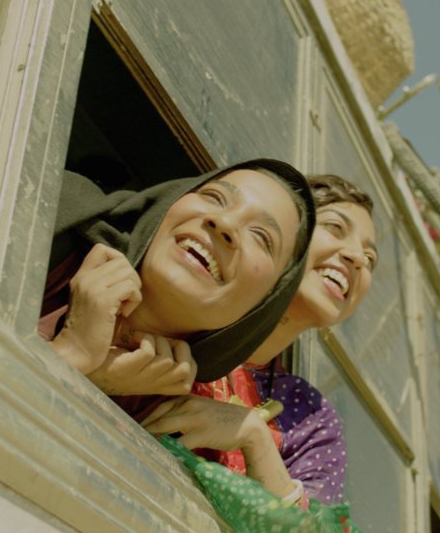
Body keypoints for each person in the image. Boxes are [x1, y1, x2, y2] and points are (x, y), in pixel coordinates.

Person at [139, 176, 375, 533]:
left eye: (370, 259)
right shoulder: (184, 317)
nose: (356, 258)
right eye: (335, 228)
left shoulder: (311, 416)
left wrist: (253, 437)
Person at [39, 159, 316, 390]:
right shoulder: (48, 216)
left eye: (261, 237)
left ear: (263, 308)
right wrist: (74, 353)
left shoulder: (181, 420)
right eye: (214, 197)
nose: (224, 223)